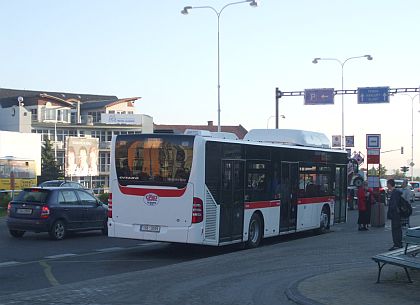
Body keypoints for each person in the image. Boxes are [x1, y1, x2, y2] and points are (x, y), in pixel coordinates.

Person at [387, 179, 403, 250]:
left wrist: (391, 212)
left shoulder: (394, 193)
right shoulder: (397, 192)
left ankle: (397, 244)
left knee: (395, 229)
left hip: (395, 214)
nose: (387, 186)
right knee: (398, 229)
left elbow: (393, 205)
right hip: (398, 213)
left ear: (390, 184)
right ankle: (399, 243)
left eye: (387, 184)